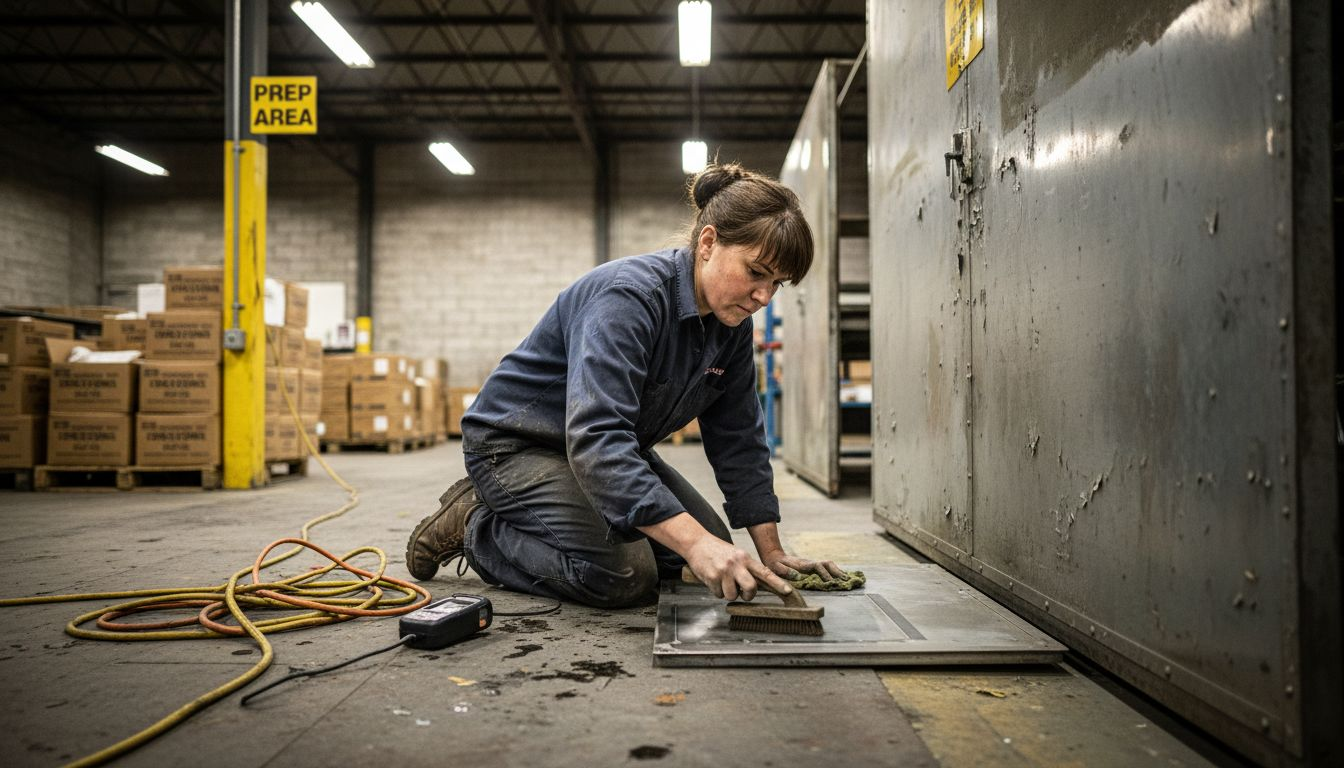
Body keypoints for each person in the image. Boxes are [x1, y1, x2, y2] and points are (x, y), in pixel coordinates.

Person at [405, 161, 847, 608]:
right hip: (518, 447)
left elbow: (739, 440)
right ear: (709, 243)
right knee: (625, 574)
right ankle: (475, 528)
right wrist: (691, 541)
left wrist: (772, 553)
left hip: (601, 449)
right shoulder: (628, 298)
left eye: (777, 284)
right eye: (756, 272)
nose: (764, 297)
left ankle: (565, 521)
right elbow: (598, 437)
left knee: (706, 550)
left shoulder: (730, 327)